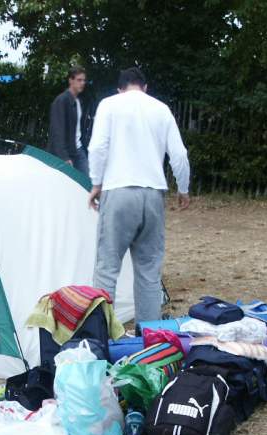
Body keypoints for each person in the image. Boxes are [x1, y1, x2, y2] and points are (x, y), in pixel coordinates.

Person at [87, 67, 191, 323]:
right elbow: (179, 155)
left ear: (120, 88)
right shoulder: (161, 109)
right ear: (145, 87)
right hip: (153, 194)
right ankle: (150, 336)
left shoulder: (109, 105)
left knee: (107, 270)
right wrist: (183, 188)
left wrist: (96, 183)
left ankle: (103, 335)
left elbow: (97, 147)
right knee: (149, 272)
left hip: (118, 191)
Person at [47, 66, 90, 176]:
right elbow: (57, 131)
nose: (82, 83)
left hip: (78, 149)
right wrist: (64, 157)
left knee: (86, 181)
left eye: (84, 80)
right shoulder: (62, 100)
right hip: (66, 152)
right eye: (79, 80)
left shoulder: (79, 101)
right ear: (71, 80)